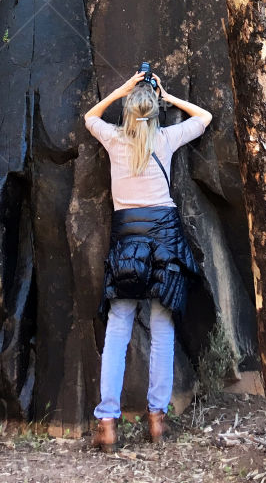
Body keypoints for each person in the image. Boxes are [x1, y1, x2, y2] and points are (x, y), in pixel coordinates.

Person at [84, 69, 212, 450]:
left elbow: (90, 117)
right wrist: (169, 97)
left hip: (127, 239)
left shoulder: (114, 140)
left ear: (126, 114)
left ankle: (107, 421)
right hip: (164, 239)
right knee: (162, 328)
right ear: (154, 113)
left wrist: (121, 89)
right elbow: (204, 118)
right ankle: (156, 418)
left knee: (119, 327)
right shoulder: (166, 138)